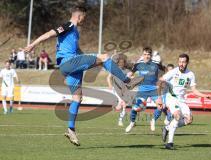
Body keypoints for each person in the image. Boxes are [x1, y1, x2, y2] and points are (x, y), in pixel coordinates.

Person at [24, 6, 143, 146]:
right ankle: (127, 81)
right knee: (104, 57)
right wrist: (32, 44)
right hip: (69, 63)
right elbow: (50, 34)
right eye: (84, 18)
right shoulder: (68, 25)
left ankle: (71, 129)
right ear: (79, 16)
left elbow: (79, 51)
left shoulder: (75, 33)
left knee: (77, 98)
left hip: (72, 66)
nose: (84, 21)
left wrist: (88, 58)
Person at [160, 53, 211, 150]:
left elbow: (194, 90)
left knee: (189, 120)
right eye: (180, 62)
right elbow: (161, 80)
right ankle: (170, 143)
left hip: (181, 100)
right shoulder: (173, 71)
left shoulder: (190, 74)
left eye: (183, 62)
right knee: (177, 115)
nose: (181, 64)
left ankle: (167, 128)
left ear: (187, 62)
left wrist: (205, 95)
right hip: (171, 98)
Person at [125, 47, 163, 133]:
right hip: (142, 90)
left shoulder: (156, 64)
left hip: (154, 89)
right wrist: (126, 78)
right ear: (142, 55)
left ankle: (153, 120)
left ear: (151, 55)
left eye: (148, 54)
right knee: (135, 108)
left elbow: (162, 76)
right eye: (145, 54)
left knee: (160, 106)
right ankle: (132, 123)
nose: (146, 56)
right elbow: (131, 73)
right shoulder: (138, 64)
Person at [107, 52, 129, 126]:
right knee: (123, 104)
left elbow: (130, 79)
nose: (121, 63)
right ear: (118, 62)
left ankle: (120, 119)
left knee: (123, 106)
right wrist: (110, 85)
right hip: (116, 89)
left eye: (123, 62)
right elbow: (108, 78)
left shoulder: (127, 71)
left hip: (123, 90)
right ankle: (120, 119)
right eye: (120, 62)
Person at [150, 63, 175, 131]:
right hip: (161, 94)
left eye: (172, 70)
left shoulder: (175, 78)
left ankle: (166, 126)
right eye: (169, 70)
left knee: (171, 111)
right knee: (161, 108)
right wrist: (159, 97)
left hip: (169, 95)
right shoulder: (164, 77)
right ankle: (153, 120)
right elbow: (159, 86)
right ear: (167, 70)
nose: (170, 72)